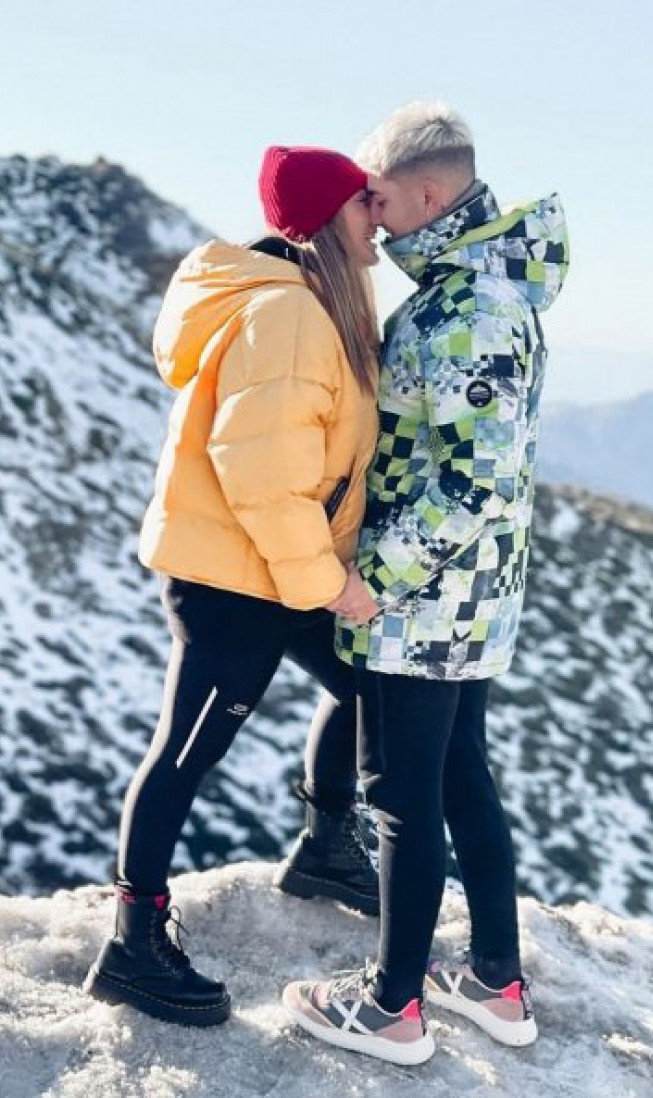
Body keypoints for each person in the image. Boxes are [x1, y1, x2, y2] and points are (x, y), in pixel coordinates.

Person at [283, 101, 569, 1065]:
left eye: (380, 196)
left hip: (425, 604)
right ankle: (495, 979)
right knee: (458, 780)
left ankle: (392, 1007)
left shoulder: (471, 309)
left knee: (402, 794)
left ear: (431, 194)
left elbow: (473, 481)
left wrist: (378, 580)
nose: (370, 212)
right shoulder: (476, 288)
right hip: (468, 598)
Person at [84, 145, 383, 1027]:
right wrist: (328, 582)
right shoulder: (288, 317)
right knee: (185, 750)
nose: (381, 225)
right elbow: (259, 470)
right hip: (238, 579)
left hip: (269, 567)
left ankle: (326, 846)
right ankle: (133, 946)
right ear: (331, 219)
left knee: (371, 686)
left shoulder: (303, 303)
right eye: (367, 207)